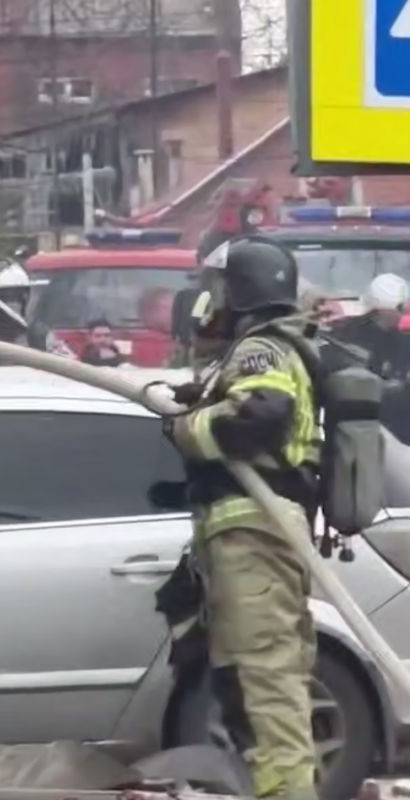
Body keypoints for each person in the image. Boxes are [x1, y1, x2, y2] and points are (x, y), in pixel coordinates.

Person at [168, 235, 322, 800]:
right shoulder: (259, 349)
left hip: (254, 533)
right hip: (249, 534)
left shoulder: (261, 349)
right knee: (252, 684)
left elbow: (261, 416)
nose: (209, 304)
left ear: (239, 290)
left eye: (216, 290)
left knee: (266, 684)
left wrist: (185, 428)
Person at [321, 272, 410, 379]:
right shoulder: (346, 335)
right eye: (401, 307)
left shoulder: (403, 338)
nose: (406, 311)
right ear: (380, 310)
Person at [0, 262, 73, 356]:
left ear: (25, 297)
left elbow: (67, 361)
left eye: (14, 297)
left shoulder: (39, 333)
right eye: (5, 298)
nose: (10, 304)